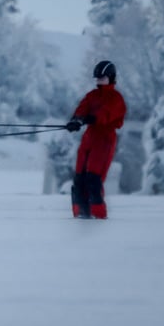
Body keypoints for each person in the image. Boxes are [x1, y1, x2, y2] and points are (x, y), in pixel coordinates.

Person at [65, 60, 127, 219]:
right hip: (89, 138)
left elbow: (106, 114)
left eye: (102, 78)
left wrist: (90, 119)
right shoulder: (92, 96)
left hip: (104, 139)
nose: (99, 81)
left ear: (111, 77)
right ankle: (80, 213)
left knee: (93, 178)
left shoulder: (116, 98)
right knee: (79, 178)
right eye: (97, 78)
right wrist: (76, 120)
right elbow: (83, 108)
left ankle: (98, 215)